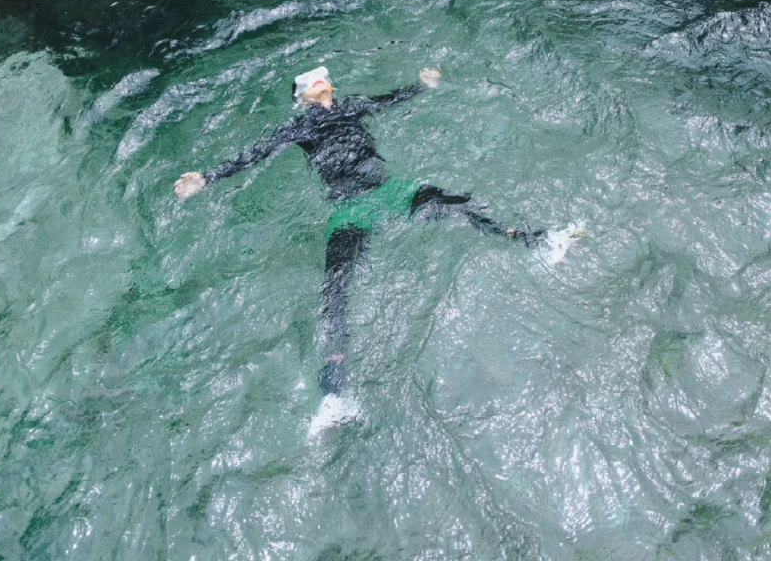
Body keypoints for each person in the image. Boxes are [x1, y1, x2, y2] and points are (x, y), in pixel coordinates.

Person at [174, 65, 543, 400]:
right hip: (349, 209)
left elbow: (389, 100)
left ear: (331, 86)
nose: (317, 78)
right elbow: (256, 153)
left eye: (322, 75)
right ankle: (334, 380)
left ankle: (522, 238)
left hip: (390, 191)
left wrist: (423, 85)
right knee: (336, 285)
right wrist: (207, 178)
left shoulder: (351, 106)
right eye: (308, 81)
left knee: (458, 203)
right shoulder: (300, 126)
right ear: (301, 98)